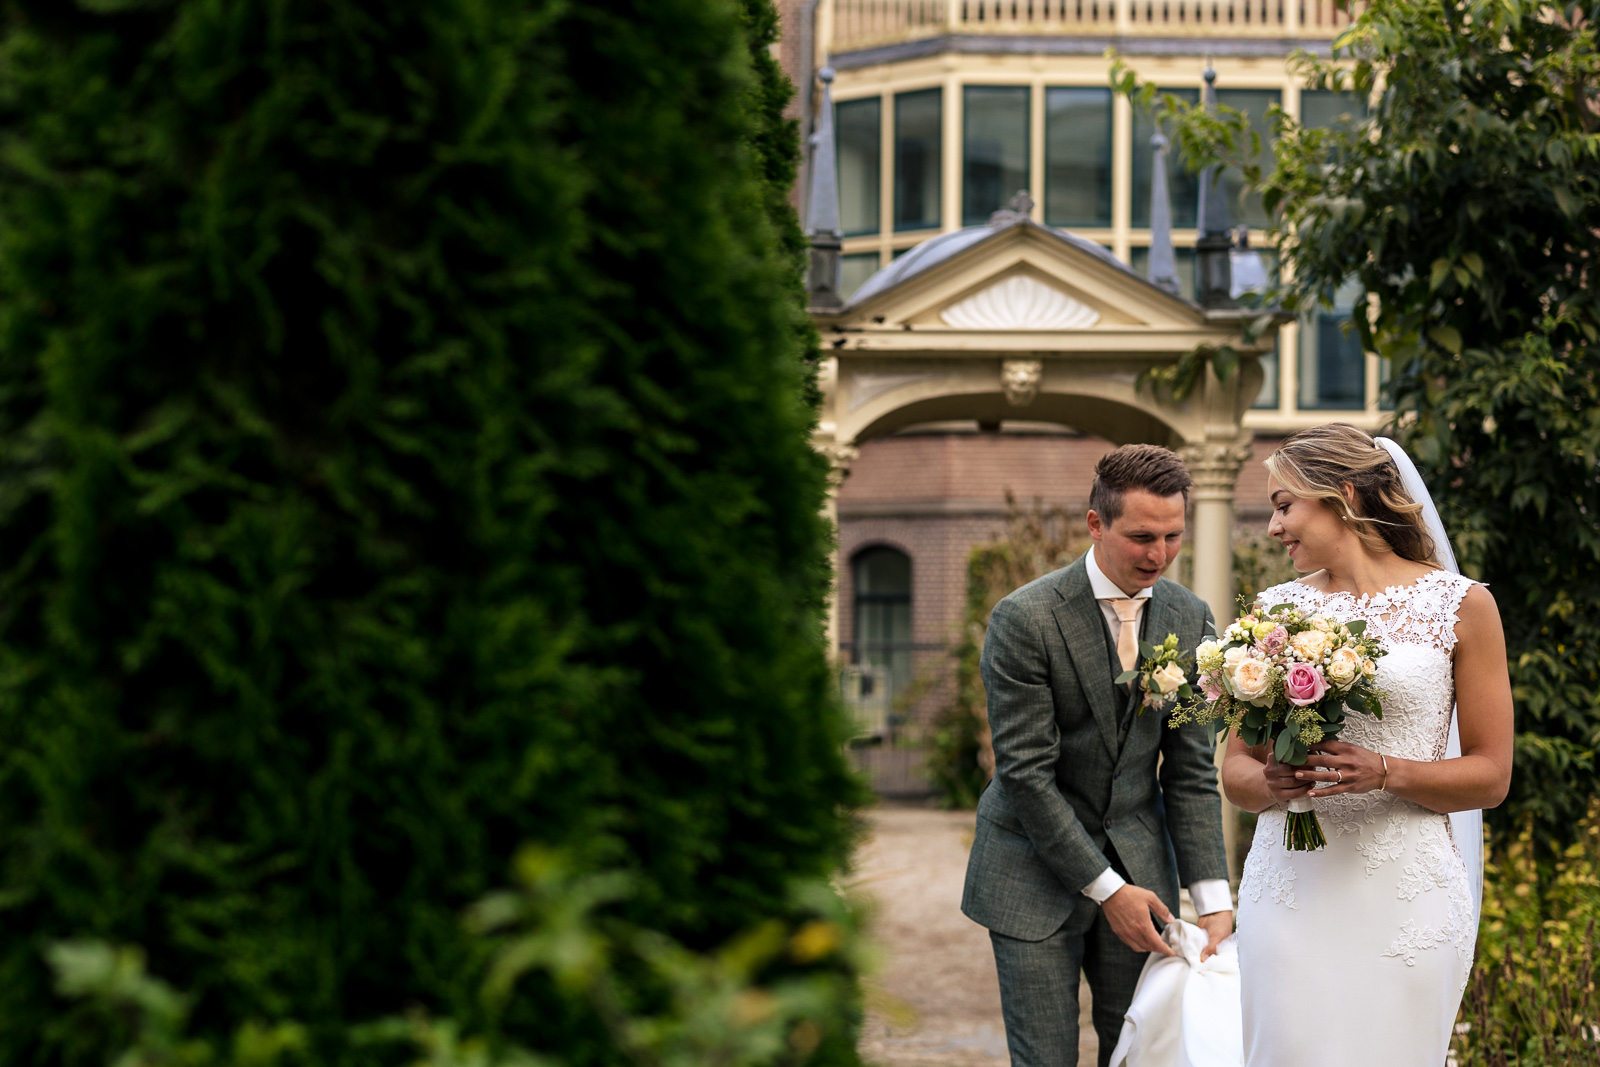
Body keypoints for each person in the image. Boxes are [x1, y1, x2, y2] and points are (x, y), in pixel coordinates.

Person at [1229, 424, 1513, 1064]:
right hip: (1291, 888)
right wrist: (1272, 782)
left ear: (1345, 496)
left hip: (1406, 895)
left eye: (1283, 506)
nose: (1273, 528)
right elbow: (1235, 775)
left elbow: (1492, 777)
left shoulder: (1461, 607)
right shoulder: (1274, 612)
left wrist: (1387, 771)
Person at [962, 444, 1233, 1067]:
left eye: (1172, 536)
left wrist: (1214, 899)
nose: (1158, 554)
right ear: (1096, 524)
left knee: (1138, 1051)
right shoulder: (1024, 619)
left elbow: (1190, 772)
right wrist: (1109, 891)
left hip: (1143, 866)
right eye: (1140, 536)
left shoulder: (1191, 618)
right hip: (1028, 870)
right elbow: (1026, 774)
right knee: (1045, 1059)